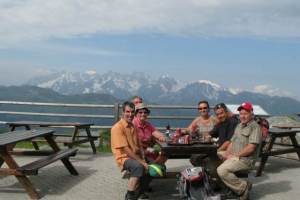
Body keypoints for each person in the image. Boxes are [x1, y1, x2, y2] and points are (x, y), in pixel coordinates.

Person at [217, 102, 262, 200]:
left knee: (221, 170)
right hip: (235, 155)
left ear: (251, 113)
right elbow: (232, 142)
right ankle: (227, 186)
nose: (242, 116)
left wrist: (234, 156)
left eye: (245, 113)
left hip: (245, 160)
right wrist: (226, 154)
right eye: (241, 114)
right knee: (214, 155)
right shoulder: (239, 125)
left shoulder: (255, 127)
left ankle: (243, 188)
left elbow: (251, 148)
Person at [111, 101, 149, 200]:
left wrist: (143, 157)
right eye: (127, 112)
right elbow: (126, 149)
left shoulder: (132, 126)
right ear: (122, 113)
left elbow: (139, 144)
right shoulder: (117, 128)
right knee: (139, 166)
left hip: (135, 156)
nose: (130, 114)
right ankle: (130, 195)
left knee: (154, 166)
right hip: (124, 158)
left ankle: (141, 191)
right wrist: (141, 162)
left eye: (132, 112)